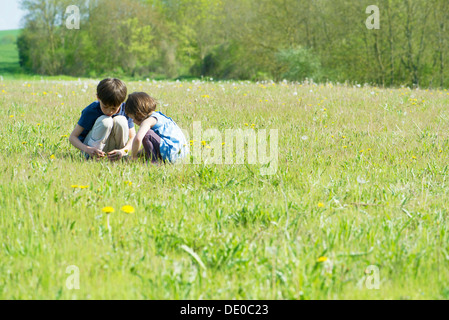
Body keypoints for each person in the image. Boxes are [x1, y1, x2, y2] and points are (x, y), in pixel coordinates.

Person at [69, 78, 135, 161]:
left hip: (116, 149)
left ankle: (119, 158)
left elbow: (133, 138)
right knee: (105, 121)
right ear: (98, 97)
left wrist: (123, 151)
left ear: (122, 102)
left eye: (114, 108)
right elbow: (72, 137)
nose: (109, 111)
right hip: (90, 149)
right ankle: (93, 157)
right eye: (105, 106)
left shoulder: (126, 110)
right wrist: (87, 149)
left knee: (120, 120)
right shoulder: (91, 110)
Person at [124, 92, 188, 164]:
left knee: (147, 134)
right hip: (180, 155)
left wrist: (133, 157)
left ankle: (153, 162)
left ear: (138, 114)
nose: (132, 121)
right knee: (149, 136)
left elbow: (138, 139)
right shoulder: (159, 116)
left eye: (132, 118)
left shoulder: (148, 121)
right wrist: (138, 154)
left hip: (171, 154)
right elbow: (153, 145)